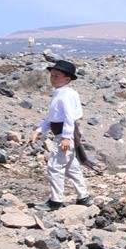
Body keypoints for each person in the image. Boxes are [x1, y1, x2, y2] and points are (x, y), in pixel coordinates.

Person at [31, 58, 91, 209]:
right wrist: (39, 130)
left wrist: (65, 137)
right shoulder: (59, 93)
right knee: (71, 167)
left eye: (56, 76)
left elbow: (69, 117)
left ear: (67, 78)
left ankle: (55, 201)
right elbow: (51, 117)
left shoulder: (66, 95)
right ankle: (83, 196)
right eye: (52, 75)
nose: (53, 78)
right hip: (65, 133)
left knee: (55, 166)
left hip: (65, 134)